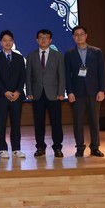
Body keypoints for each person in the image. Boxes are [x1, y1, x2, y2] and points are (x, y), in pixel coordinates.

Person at [64, 25, 105, 157]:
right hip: (77, 93)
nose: (79, 37)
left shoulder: (97, 52)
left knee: (94, 121)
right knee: (78, 122)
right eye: (76, 35)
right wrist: (69, 92)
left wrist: (102, 90)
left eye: (81, 34)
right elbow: (67, 75)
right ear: (73, 37)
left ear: (86, 36)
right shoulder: (69, 54)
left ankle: (95, 147)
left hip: (94, 92)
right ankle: (80, 147)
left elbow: (101, 72)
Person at [25, 29, 66, 158]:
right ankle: (40, 147)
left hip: (54, 94)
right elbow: (28, 76)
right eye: (41, 37)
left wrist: (61, 92)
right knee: (38, 122)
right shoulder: (31, 56)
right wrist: (29, 91)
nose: (43, 40)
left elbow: (62, 75)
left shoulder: (58, 56)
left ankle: (57, 147)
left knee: (56, 122)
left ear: (51, 40)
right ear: (37, 40)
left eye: (46, 37)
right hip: (37, 94)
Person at [0, 29, 26, 158]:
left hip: (17, 97)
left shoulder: (19, 58)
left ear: (13, 42)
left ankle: (16, 148)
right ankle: (2, 149)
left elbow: (23, 76)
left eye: (10, 40)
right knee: (1, 123)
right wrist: (5, 92)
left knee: (16, 123)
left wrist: (18, 91)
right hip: (1, 96)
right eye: (4, 40)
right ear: (1, 42)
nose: (7, 42)